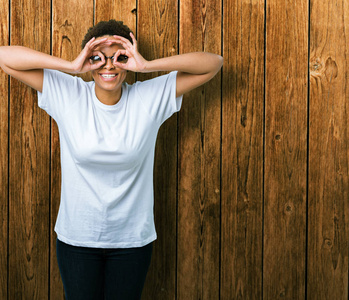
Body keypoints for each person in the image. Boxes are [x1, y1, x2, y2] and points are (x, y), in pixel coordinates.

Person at [0, 20, 223, 300]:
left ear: (128, 59)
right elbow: (4, 57)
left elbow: (214, 63)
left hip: (131, 242)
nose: (108, 65)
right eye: (98, 57)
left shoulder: (148, 97)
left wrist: (145, 66)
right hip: (77, 240)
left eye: (119, 56)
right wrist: (70, 66)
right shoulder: (68, 94)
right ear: (88, 60)